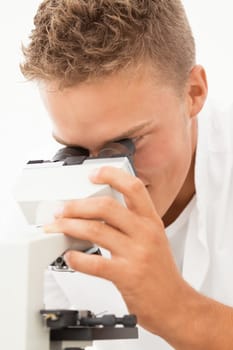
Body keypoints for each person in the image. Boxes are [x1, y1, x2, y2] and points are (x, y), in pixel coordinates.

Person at [20, 0, 233, 349]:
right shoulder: (42, 209)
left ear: (193, 93)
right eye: (75, 152)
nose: (103, 176)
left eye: (126, 143)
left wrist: (179, 311)